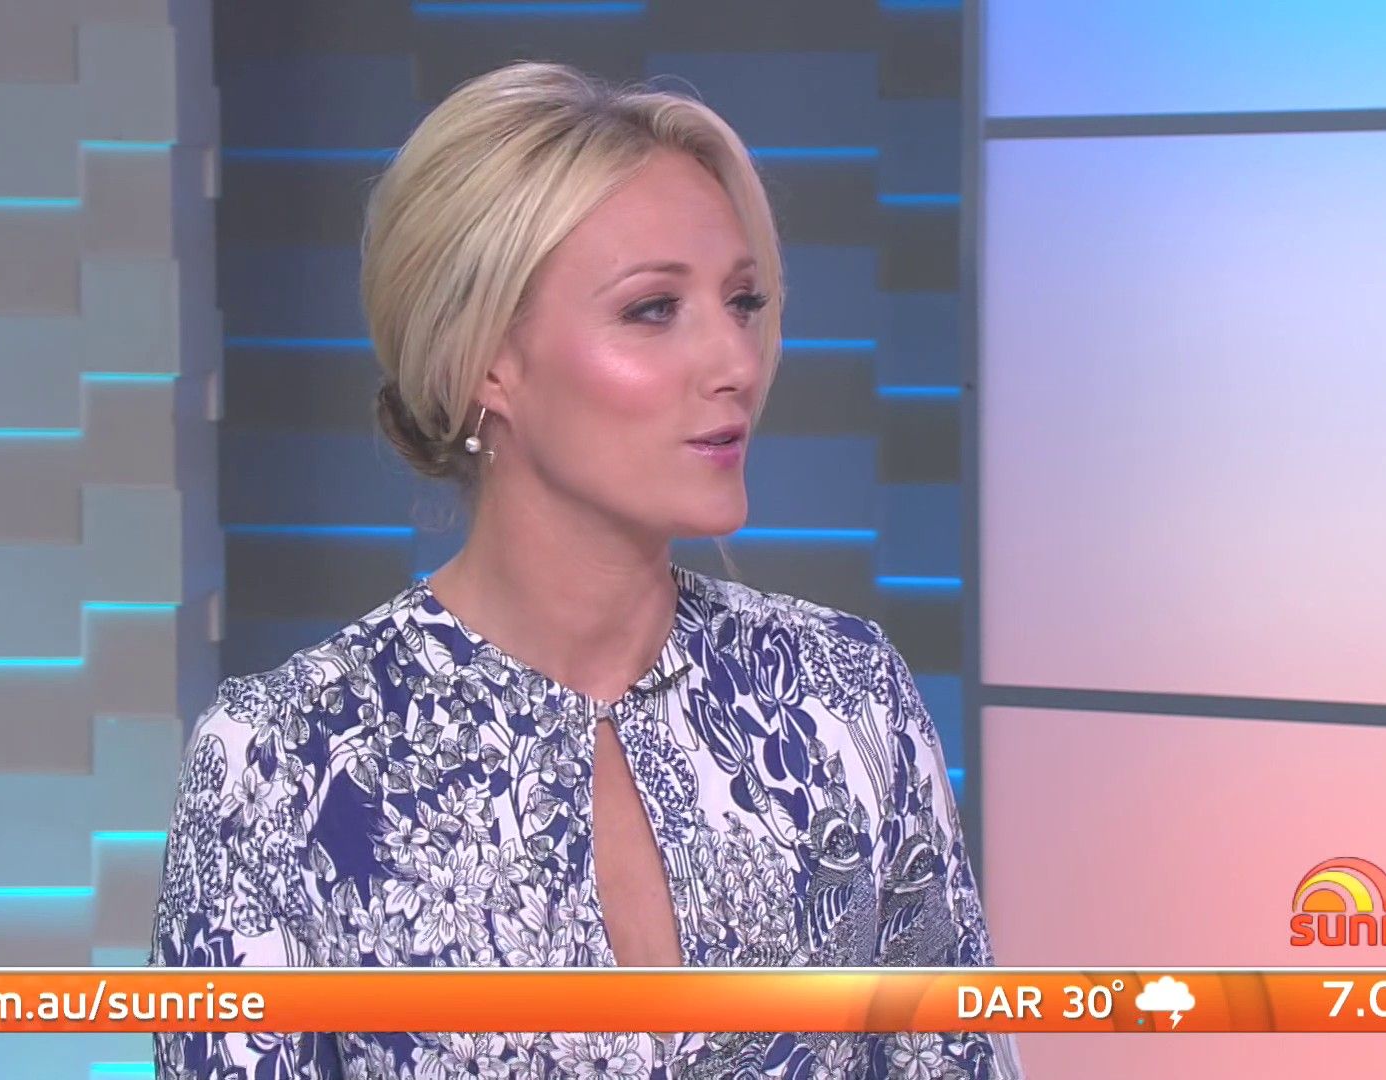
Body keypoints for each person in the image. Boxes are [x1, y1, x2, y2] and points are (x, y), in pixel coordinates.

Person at [149, 60, 1024, 1079]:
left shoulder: (847, 698)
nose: (737, 362)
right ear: (487, 358)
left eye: (744, 301)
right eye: (654, 309)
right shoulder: (278, 766)